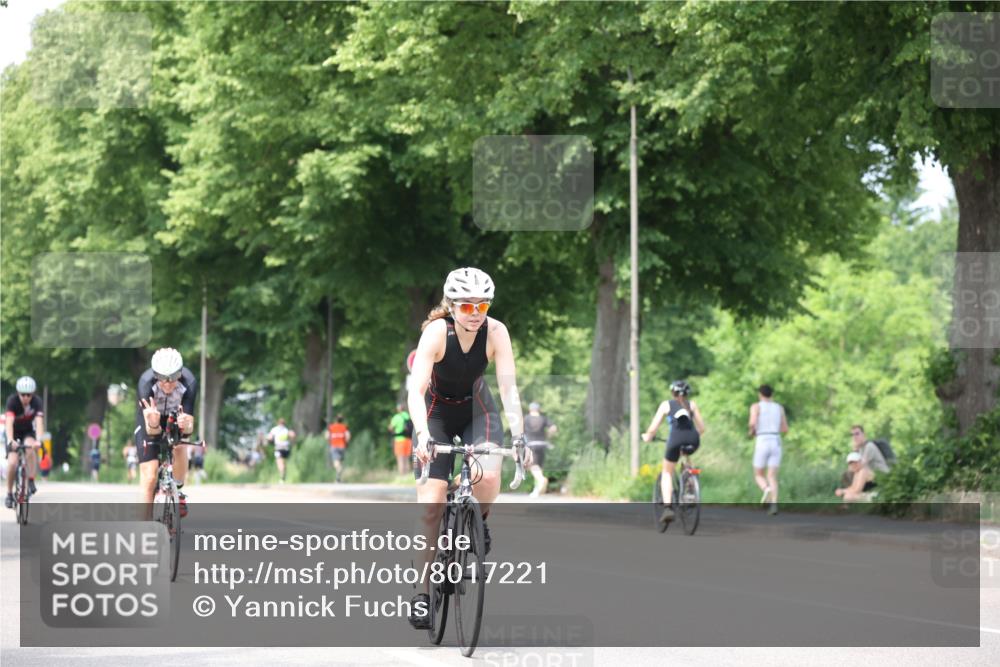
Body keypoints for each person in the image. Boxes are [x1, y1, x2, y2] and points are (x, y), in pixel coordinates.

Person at [407, 267, 530, 630]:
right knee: (431, 507)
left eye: (483, 305)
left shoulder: (496, 332)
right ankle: (422, 593)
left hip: (479, 409)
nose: (475, 313)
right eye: (467, 307)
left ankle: (480, 521)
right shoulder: (436, 333)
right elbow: (415, 392)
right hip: (436, 414)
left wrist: (520, 436)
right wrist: (421, 434)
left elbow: (508, 389)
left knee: (489, 474)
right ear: (452, 306)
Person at [135, 348, 198, 520]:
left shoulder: (190, 381)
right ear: (155, 374)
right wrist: (154, 422)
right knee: (149, 478)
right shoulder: (146, 383)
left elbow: (189, 427)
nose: (168, 383)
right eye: (162, 378)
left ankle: (178, 490)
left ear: (181, 373)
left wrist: (187, 424)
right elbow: (152, 431)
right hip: (150, 419)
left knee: (180, 445)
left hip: (175, 417)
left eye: (173, 377)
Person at [642, 380, 706, 523]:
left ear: (673, 393)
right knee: (686, 458)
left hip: (675, 439)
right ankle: (690, 487)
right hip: (693, 440)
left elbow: (653, 428)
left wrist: (648, 436)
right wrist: (690, 437)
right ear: (687, 393)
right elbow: (701, 428)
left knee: (667, 473)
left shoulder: (666, 405)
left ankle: (667, 508)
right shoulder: (692, 405)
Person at [748, 384, 789, 516]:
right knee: (772, 475)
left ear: (760, 394)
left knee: (759, 474)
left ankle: (766, 489)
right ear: (772, 394)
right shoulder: (779, 408)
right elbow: (784, 429)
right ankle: (774, 504)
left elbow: (752, 423)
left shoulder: (756, 406)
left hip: (762, 439)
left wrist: (752, 431)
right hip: (776, 440)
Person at [5, 376, 44, 508]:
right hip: (14, 433)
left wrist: (39, 440)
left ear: (32, 394)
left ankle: (31, 479)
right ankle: (9, 494)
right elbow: (9, 423)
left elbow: (39, 423)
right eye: (23, 394)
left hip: (28, 431)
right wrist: (10, 440)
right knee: (12, 462)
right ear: (18, 393)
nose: (26, 397)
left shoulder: (37, 402)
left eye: (29, 395)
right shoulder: (12, 401)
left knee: (31, 447)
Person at [523, 401, 557, 498]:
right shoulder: (543, 418)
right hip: (542, 444)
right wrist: (548, 435)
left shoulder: (526, 419)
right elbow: (553, 428)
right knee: (539, 467)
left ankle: (541, 480)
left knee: (532, 466)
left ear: (530, 409)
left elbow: (520, 430)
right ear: (538, 409)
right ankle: (536, 489)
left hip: (531, 445)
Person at [267, 418, 295, 483]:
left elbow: (269, 437)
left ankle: (282, 477)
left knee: (279, 462)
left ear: (278, 423)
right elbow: (292, 435)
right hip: (286, 448)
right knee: (284, 463)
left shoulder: (275, 429)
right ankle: (283, 475)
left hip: (278, 448)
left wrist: (269, 440)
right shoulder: (286, 429)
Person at [388, 403, 413, 476]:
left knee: (400, 458)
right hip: (408, 440)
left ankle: (402, 475)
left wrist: (393, 432)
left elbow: (390, 428)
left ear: (398, 409)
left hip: (399, 440)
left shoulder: (396, 417)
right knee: (407, 458)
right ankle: (407, 475)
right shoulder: (407, 416)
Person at [327, 415, 350, 481]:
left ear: (335, 420)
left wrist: (330, 441)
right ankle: (339, 477)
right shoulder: (345, 427)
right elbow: (348, 436)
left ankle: (339, 471)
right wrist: (346, 443)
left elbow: (327, 436)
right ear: (342, 420)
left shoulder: (331, 427)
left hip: (334, 446)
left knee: (336, 462)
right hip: (342, 446)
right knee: (340, 461)